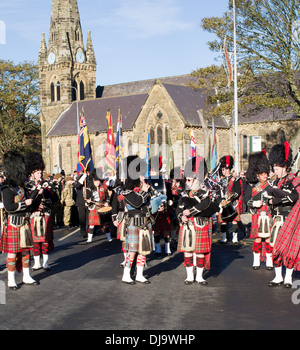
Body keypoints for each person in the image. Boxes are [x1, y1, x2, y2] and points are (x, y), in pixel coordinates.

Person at [176, 156, 221, 285]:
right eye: (187, 179)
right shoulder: (185, 193)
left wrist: (190, 211)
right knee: (188, 251)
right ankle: (190, 276)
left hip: (201, 223)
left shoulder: (205, 191)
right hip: (188, 225)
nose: (187, 182)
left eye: (190, 179)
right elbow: (178, 209)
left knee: (200, 252)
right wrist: (181, 216)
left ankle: (200, 276)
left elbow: (205, 203)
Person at [0, 150, 38, 289]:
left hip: (25, 222)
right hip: (14, 223)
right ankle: (11, 279)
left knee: (26, 251)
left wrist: (35, 194)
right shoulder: (6, 187)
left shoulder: (22, 186)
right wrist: (24, 204)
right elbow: (9, 207)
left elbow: (30, 204)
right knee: (12, 252)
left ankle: (26, 276)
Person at [267, 142, 300, 287]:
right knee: (274, 249)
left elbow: (295, 197)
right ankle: (278, 276)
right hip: (277, 218)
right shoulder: (276, 182)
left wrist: (278, 199)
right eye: (274, 167)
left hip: (290, 219)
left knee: (288, 251)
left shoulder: (294, 180)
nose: (275, 170)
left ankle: (288, 277)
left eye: (277, 167)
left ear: (284, 166)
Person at [120, 156, 153, 284]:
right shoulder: (127, 192)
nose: (143, 177)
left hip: (145, 222)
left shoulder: (141, 189)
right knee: (132, 251)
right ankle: (126, 274)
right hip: (134, 223)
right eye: (140, 174)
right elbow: (137, 202)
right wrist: (144, 192)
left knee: (143, 251)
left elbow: (148, 205)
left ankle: (139, 274)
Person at [25, 152, 55, 272]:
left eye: (41, 172)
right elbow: (28, 202)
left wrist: (46, 193)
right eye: (38, 172)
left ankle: (46, 262)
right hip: (34, 215)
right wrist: (37, 194)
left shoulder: (47, 184)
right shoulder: (28, 186)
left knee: (45, 240)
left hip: (45, 214)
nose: (40, 174)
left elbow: (55, 199)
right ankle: (37, 262)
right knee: (36, 241)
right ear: (32, 173)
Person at [245, 151, 273, 270]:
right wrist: (254, 203)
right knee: (257, 239)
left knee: (268, 238)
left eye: (265, 173)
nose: (264, 176)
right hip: (257, 212)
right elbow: (246, 199)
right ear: (258, 174)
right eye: (262, 174)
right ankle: (256, 261)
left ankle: (269, 261)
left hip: (268, 213)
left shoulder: (271, 185)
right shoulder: (252, 186)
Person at [218, 155, 243, 244]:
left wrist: (229, 199)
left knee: (234, 220)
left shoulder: (235, 179)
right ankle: (224, 237)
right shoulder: (221, 180)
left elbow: (237, 192)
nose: (222, 171)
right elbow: (218, 192)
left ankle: (234, 237)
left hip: (233, 202)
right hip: (223, 202)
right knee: (223, 221)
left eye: (223, 169)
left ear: (227, 168)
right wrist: (220, 200)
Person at [85, 169, 111, 243]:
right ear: (93, 180)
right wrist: (88, 201)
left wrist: (106, 203)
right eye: (96, 181)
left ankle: (109, 237)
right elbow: (86, 199)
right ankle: (89, 238)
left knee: (106, 224)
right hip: (94, 207)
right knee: (92, 224)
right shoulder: (89, 188)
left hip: (102, 207)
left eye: (98, 181)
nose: (97, 183)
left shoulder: (103, 188)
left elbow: (107, 198)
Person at [74, 169, 90, 238]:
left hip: (89, 202)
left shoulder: (90, 180)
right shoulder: (80, 180)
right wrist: (83, 177)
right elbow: (77, 186)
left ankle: (89, 232)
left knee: (89, 218)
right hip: (81, 202)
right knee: (82, 219)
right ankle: (83, 233)